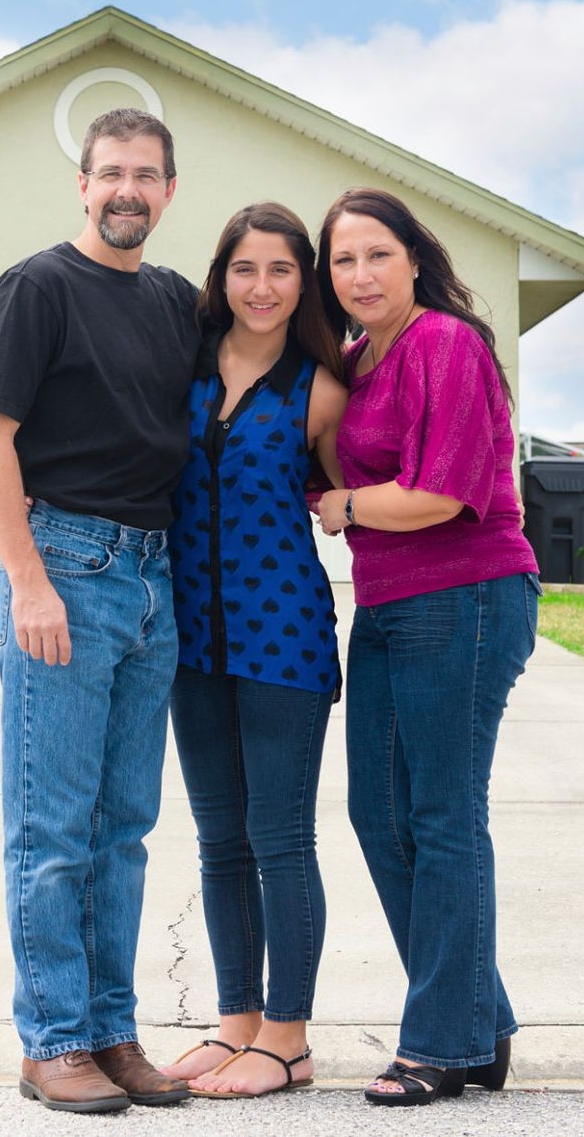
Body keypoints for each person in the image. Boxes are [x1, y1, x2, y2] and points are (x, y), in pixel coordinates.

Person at [0, 108, 199, 1114]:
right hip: (64, 563)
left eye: (145, 174)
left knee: (124, 828)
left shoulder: (179, 303)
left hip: (153, 577)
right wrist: (27, 578)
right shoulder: (37, 288)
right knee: (53, 826)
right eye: (109, 173)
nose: (126, 190)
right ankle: (50, 1038)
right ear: (82, 184)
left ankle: (109, 1029)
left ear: (169, 191)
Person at [312, 187, 541, 1107]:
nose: (359, 274)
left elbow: (441, 494)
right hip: (391, 602)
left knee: (444, 815)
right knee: (380, 815)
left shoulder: (446, 342)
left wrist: (348, 506)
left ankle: (441, 1046)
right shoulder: (360, 358)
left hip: (469, 594)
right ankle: (480, 1026)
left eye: (376, 254)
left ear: (414, 257)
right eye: (342, 261)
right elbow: (341, 458)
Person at [158, 202, 349, 1098]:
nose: (262, 287)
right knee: (217, 840)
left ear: (302, 281)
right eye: (245, 268)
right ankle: (237, 1025)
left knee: (279, 837)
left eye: (281, 269)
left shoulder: (322, 388)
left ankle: (289, 1036)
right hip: (190, 639)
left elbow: (357, 492)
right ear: (221, 277)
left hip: (286, 641)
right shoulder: (182, 367)